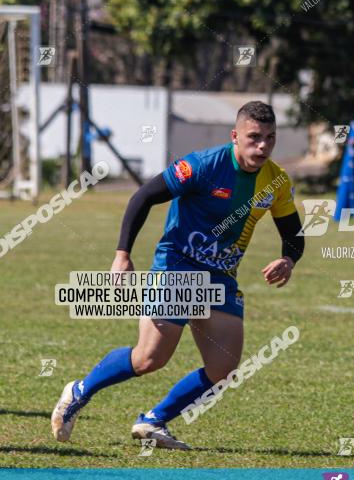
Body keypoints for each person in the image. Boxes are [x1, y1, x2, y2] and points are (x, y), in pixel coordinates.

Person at [51, 101, 305, 450]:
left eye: (270, 138)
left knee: (223, 368)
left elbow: (293, 232)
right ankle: (79, 391)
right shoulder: (201, 165)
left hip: (221, 277)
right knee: (149, 359)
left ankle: (152, 421)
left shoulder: (275, 181)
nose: (262, 146)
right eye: (254, 137)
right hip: (178, 266)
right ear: (235, 136)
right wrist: (122, 254)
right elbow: (144, 196)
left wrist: (289, 258)